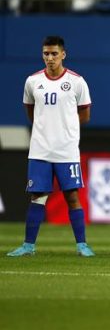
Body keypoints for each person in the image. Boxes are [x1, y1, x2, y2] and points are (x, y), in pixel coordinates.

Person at [8, 36, 94, 257]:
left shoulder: (77, 82)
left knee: (72, 196)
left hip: (67, 150)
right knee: (38, 196)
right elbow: (30, 111)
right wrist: (45, 128)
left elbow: (85, 115)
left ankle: (82, 245)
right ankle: (28, 246)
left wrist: (66, 129)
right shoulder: (32, 81)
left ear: (63, 54)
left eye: (54, 53)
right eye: (46, 54)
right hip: (40, 150)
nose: (50, 58)